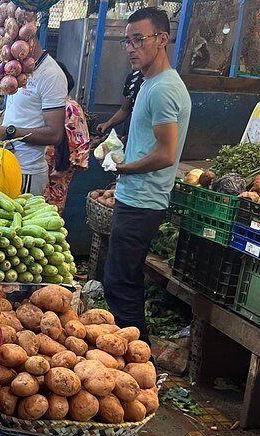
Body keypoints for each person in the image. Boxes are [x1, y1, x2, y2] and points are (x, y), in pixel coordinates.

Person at [103, 7, 191, 345]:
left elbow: (167, 154)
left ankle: (139, 359)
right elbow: (151, 146)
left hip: (142, 201)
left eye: (139, 39)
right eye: (127, 41)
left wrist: (122, 167)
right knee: (123, 280)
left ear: (162, 39)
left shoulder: (163, 89)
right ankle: (133, 354)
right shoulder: (150, 83)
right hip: (136, 196)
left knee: (119, 284)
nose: (130, 47)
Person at [0, 40, 67, 196]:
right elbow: (23, 117)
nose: (7, 53)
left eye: (11, 48)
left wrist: (8, 132)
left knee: (20, 219)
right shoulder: (17, 72)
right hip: (3, 164)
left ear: (29, 41)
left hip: (26, 172)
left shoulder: (51, 75)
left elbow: (55, 134)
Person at [44, 61, 91, 214]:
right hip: (42, 170)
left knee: (50, 214)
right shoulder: (47, 104)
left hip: (56, 172)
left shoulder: (71, 108)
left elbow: (81, 145)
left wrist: (65, 168)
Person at [97, 70, 145, 138]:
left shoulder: (159, 83)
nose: (131, 59)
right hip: (132, 132)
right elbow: (125, 109)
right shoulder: (133, 78)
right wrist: (108, 124)